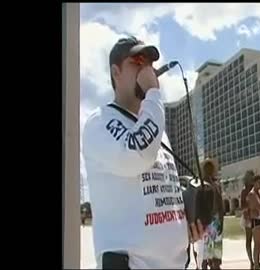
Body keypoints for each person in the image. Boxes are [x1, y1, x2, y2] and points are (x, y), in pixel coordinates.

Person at [82, 36, 203, 269]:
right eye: (137, 61)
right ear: (116, 72)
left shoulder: (155, 127)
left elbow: (162, 190)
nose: (147, 69)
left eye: (149, 63)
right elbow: (137, 154)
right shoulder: (100, 122)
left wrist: (183, 225)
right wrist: (153, 95)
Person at [200, 158, 224, 269]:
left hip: (213, 221)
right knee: (207, 254)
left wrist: (221, 221)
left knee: (214, 253)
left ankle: (215, 266)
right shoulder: (202, 186)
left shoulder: (215, 186)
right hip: (208, 222)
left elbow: (220, 205)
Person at [240, 170, 256, 269]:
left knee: (257, 240)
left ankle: (256, 260)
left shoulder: (256, 189)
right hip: (248, 217)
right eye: (250, 177)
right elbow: (242, 206)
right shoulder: (244, 191)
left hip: (257, 216)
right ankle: (251, 261)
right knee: (249, 240)